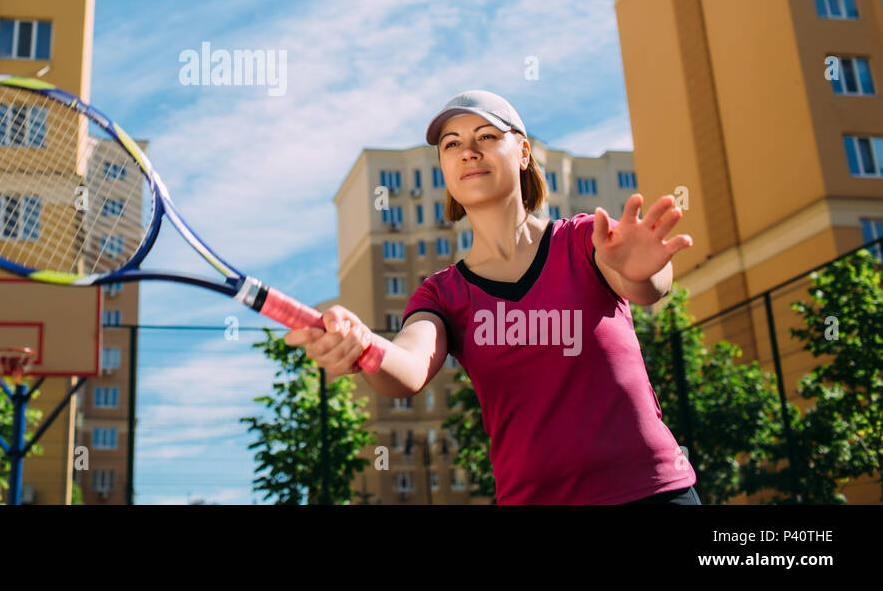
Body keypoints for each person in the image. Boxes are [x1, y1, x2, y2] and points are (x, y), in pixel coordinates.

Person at [286, 90, 701, 505]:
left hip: (654, 492)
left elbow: (646, 286)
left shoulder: (580, 238)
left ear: (522, 152)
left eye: (485, 136)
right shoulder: (443, 293)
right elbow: (408, 370)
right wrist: (364, 346)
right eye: (452, 144)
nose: (468, 151)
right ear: (445, 168)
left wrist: (645, 271)